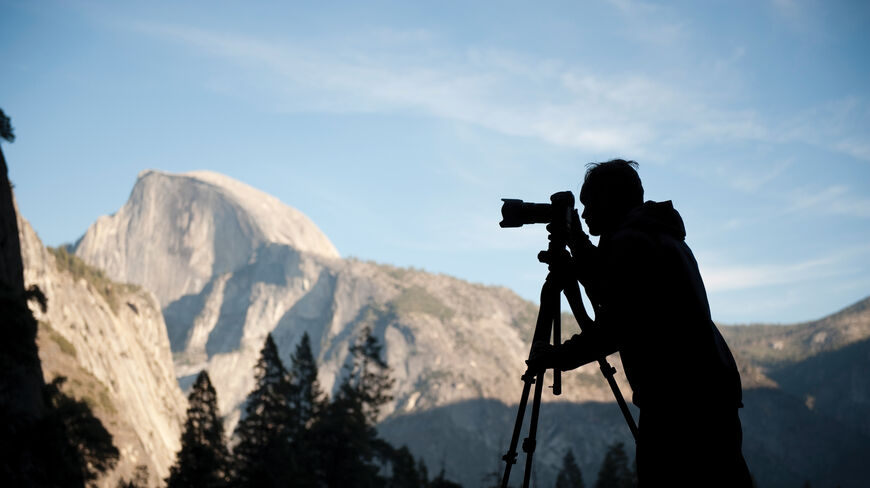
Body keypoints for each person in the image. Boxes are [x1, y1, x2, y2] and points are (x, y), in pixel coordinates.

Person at [528, 159, 752, 487]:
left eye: (590, 204)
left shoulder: (630, 243)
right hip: (709, 397)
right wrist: (577, 243)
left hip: (677, 409)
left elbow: (612, 326)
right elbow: (614, 290)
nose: (586, 213)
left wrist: (554, 357)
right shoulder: (658, 236)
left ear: (610, 199)